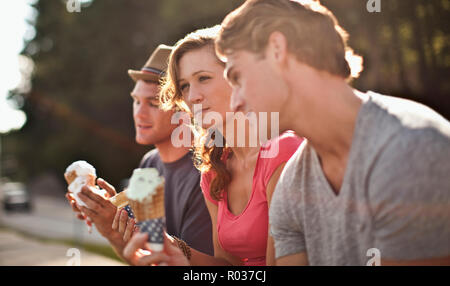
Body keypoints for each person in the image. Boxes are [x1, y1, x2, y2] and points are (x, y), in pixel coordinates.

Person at [214, 0, 450, 265]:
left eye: (237, 78)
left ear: (277, 49)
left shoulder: (410, 151)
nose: (234, 103)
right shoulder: (292, 185)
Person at [123, 26, 303, 266]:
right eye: (185, 85)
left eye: (203, 78)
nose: (193, 96)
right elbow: (228, 266)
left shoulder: (283, 153)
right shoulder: (213, 170)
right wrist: (177, 252)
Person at [66, 45, 214, 262]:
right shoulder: (149, 163)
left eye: (153, 103)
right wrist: (109, 224)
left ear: (183, 109)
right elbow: (142, 258)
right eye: (136, 101)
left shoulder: (205, 169)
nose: (139, 113)